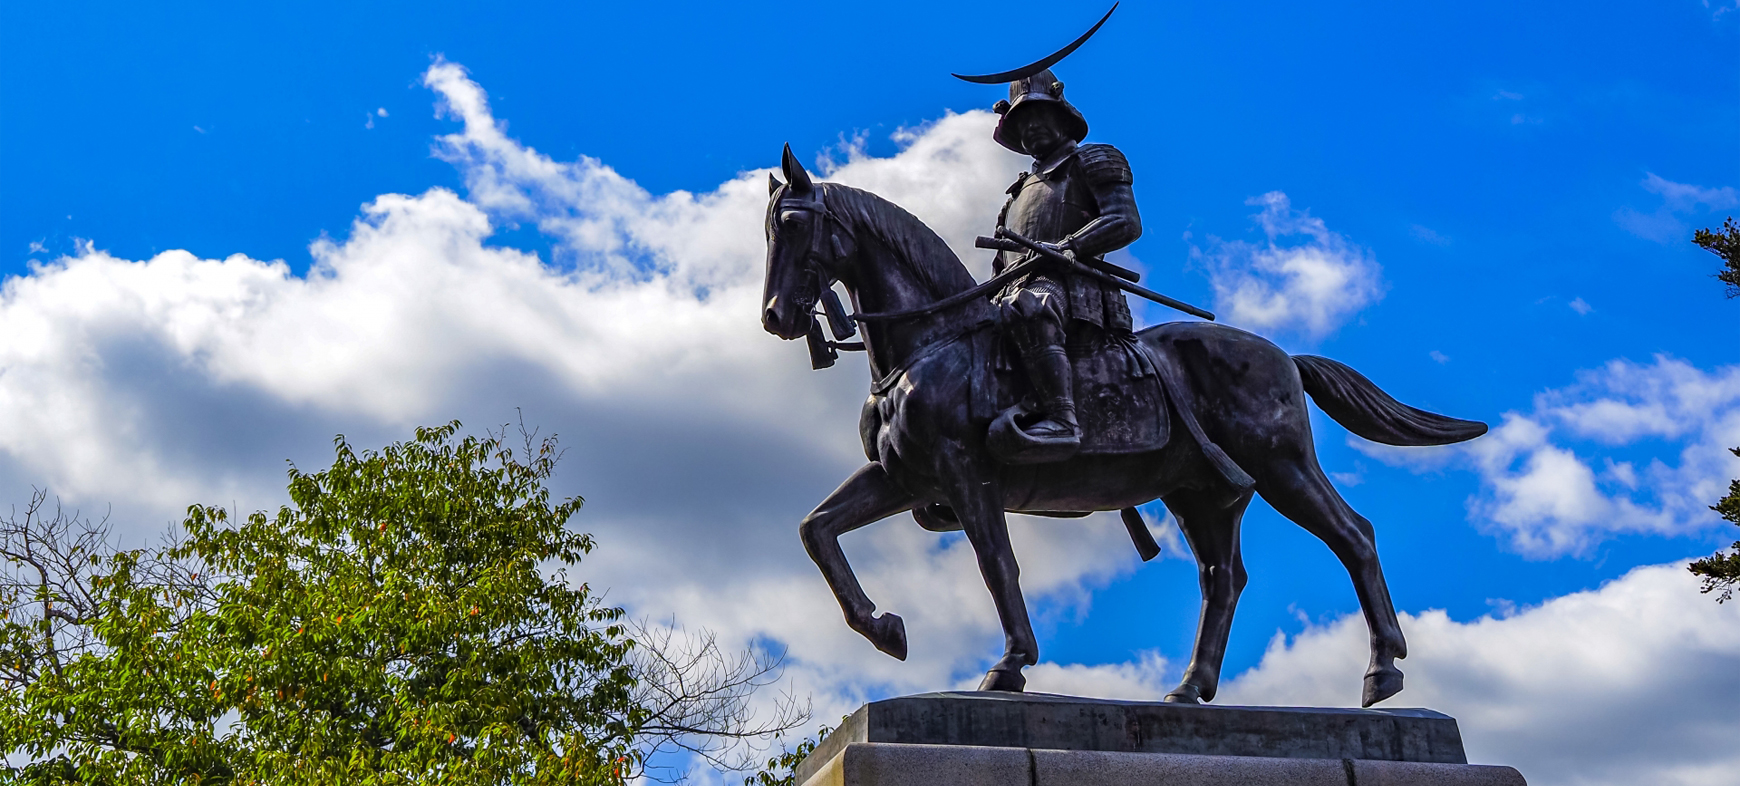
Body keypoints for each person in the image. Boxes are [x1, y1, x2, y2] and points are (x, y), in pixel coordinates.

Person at [988, 69, 1142, 454]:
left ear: (1062, 117)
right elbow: (1000, 264)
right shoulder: (1016, 194)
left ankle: (1061, 418)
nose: (1032, 127)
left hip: (1072, 285)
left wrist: (1070, 246)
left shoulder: (1094, 159)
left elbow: (1124, 221)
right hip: (1011, 291)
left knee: (1030, 306)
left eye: (1040, 116)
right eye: (1022, 122)